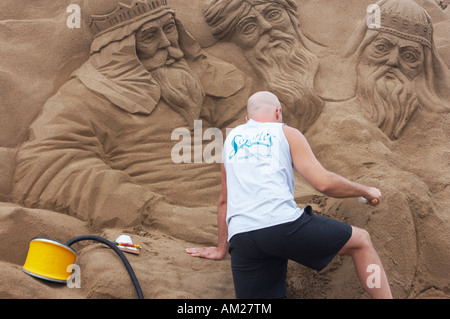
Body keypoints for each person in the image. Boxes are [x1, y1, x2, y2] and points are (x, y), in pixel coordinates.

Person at [11, 0, 243, 232]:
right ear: (118, 47)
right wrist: (158, 213)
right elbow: (47, 168)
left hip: (246, 209)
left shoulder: (208, 73)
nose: (166, 42)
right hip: (162, 225)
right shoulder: (85, 95)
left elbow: (254, 133)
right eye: (149, 36)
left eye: (169, 27)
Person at [186, 91, 393, 299]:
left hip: (243, 239)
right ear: (278, 112)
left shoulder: (230, 140)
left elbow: (224, 201)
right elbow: (324, 183)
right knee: (361, 241)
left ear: (247, 120)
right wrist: (366, 190)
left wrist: (222, 249)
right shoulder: (285, 132)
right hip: (282, 227)